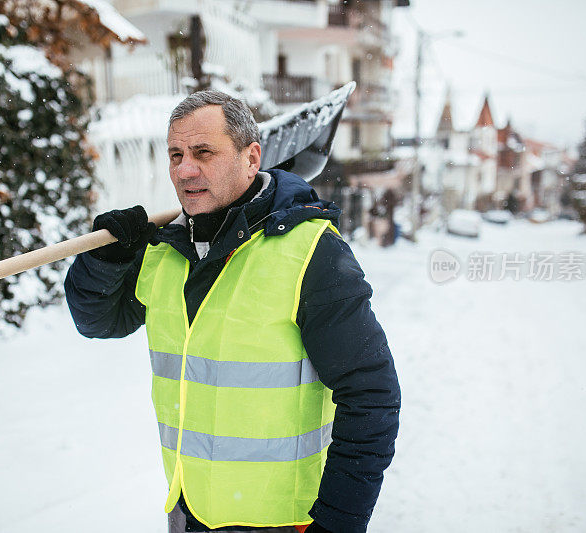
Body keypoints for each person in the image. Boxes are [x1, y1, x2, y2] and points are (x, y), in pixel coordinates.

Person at [64, 90, 400, 533]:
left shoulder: (310, 252)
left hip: (280, 521)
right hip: (189, 510)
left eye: (204, 152)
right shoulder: (166, 249)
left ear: (251, 158)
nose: (185, 169)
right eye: (176, 154)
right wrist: (105, 261)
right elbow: (99, 321)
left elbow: (371, 395)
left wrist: (337, 524)